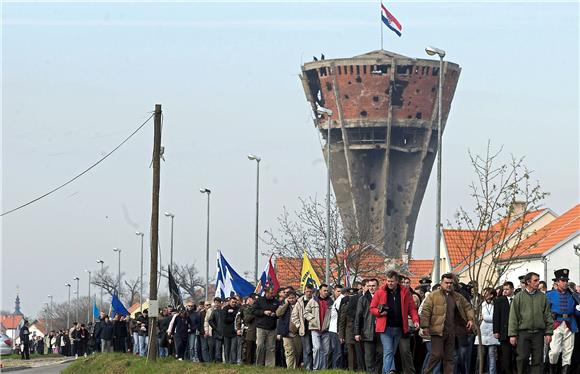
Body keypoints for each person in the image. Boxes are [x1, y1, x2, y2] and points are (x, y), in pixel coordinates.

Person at [420, 273, 475, 374]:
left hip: (451, 331)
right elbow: (426, 311)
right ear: (441, 283)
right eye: (446, 283)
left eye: (451, 283)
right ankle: (427, 372)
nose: (449, 285)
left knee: (449, 357)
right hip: (437, 331)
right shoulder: (433, 296)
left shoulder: (457, 296)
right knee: (436, 355)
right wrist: (425, 326)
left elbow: (468, 307)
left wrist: (470, 319)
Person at [370, 271, 420, 374]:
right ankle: (387, 372)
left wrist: (415, 320)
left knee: (391, 352)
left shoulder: (405, 292)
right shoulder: (380, 292)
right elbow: (372, 308)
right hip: (385, 328)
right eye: (388, 281)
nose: (389, 283)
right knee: (388, 352)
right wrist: (380, 312)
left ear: (397, 281)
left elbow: (412, 308)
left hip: (399, 328)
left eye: (392, 281)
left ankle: (391, 371)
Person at [508, 271, 553, 374]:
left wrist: (548, 332)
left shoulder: (542, 297)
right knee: (522, 358)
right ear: (528, 282)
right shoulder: (518, 297)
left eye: (538, 280)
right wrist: (512, 334)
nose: (538, 282)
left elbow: (547, 315)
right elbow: (513, 316)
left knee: (538, 360)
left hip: (538, 333)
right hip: (524, 333)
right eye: (535, 280)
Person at [546, 269, 580, 374]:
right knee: (555, 351)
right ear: (557, 282)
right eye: (562, 280)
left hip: (570, 324)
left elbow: (575, 310)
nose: (565, 283)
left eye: (566, 280)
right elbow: (545, 312)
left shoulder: (573, 295)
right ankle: (552, 370)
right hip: (556, 324)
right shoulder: (550, 295)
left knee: (568, 352)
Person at [304, 283, 333, 370]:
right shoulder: (313, 301)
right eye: (324, 290)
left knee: (326, 351)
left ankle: (323, 369)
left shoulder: (331, 302)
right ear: (320, 291)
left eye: (327, 291)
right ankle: (316, 369)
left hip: (326, 329)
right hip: (315, 329)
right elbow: (306, 312)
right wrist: (312, 319)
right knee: (316, 348)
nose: (326, 292)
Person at [356, 278, 381, 373]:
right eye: (369, 286)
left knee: (381, 353)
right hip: (367, 331)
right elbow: (358, 317)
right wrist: (357, 332)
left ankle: (377, 372)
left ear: (377, 286)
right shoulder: (362, 299)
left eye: (373, 286)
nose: (371, 288)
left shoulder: (382, 297)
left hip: (381, 330)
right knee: (369, 356)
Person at [254, 286, 281, 367]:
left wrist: (274, 314)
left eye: (273, 293)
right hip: (261, 327)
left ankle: (269, 365)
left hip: (272, 328)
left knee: (271, 347)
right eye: (271, 293)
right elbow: (254, 311)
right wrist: (263, 312)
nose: (272, 295)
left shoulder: (276, 302)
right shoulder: (259, 300)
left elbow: (279, 313)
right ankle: (259, 364)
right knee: (260, 345)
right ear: (266, 292)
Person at [493, 281, 516, 374]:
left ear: (512, 289)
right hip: (504, 332)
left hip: (516, 332)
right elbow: (496, 316)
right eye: (504, 289)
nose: (505, 291)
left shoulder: (517, 299)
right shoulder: (499, 300)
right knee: (505, 356)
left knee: (515, 356)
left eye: (507, 289)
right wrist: (496, 330)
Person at [475, 288, 500, 374]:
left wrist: (485, 317)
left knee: (492, 356)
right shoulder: (481, 304)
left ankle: (492, 372)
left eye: (487, 293)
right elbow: (477, 317)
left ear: (492, 295)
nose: (485, 294)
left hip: (492, 332)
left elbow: (496, 317)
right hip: (482, 332)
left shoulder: (496, 304)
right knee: (480, 356)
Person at [292, 283, 314, 370]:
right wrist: (299, 325)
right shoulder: (300, 302)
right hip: (304, 329)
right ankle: (308, 367)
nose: (308, 293)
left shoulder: (315, 300)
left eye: (310, 291)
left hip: (314, 328)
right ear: (304, 291)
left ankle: (313, 366)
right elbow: (294, 316)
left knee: (314, 349)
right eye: (307, 291)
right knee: (307, 350)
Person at [277, 289, 301, 368]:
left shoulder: (300, 305)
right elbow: (278, 313)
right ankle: (290, 369)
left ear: (296, 298)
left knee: (297, 352)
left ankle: (296, 367)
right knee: (289, 352)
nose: (291, 300)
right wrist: (285, 304)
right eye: (289, 298)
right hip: (286, 333)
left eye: (293, 298)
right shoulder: (283, 305)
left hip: (297, 333)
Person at [329, 284, 345, 369]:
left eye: (341, 291)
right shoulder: (337, 300)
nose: (339, 293)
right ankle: (336, 368)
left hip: (336, 329)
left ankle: (337, 368)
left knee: (337, 351)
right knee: (337, 350)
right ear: (334, 291)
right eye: (338, 291)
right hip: (334, 329)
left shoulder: (340, 299)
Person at [239, 295, 257, 365]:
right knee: (248, 348)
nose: (254, 301)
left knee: (255, 348)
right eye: (253, 299)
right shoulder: (246, 308)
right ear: (249, 299)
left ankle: (254, 362)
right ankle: (248, 363)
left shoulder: (257, 307)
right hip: (249, 330)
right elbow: (246, 319)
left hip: (258, 329)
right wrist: (254, 314)